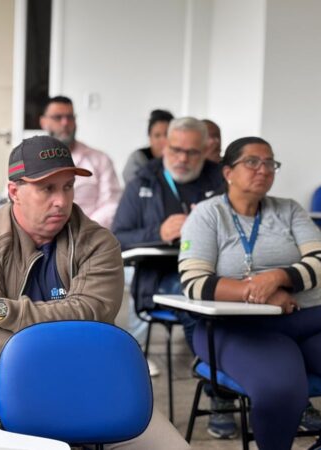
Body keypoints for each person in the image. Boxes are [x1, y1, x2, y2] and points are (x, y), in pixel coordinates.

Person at [0, 135, 189, 449]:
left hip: (95, 386)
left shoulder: (100, 243)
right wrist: (74, 339)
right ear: (14, 192)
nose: (61, 201)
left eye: (67, 187)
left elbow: (92, 315)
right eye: (47, 188)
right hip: (11, 392)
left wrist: (0, 311)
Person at [179, 136, 321, 449]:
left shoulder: (289, 210)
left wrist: (278, 277)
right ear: (228, 172)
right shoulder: (208, 215)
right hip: (239, 329)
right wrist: (256, 292)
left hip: (310, 322)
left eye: (269, 163)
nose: (263, 169)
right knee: (282, 389)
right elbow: (195, 282)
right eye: (252, 162)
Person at [112, 117, 236, 437]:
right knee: (199, 299)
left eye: (192, 152)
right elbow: (118, 237)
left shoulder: (220, 179)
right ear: (165, 145)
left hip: (220, 270)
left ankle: (250, 377)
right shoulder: (144, 179)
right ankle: (220, 393)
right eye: (176, 149)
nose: (183, 159)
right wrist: (159, 232)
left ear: (206, 149)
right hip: (163, 278)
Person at [39, 96, 121, 228]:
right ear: (43, 122)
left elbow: (111, 204)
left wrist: (84, 230)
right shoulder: (30, 161)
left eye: (70, 117)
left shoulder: (100, 160)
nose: (65, 123)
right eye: (58, 117)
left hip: (89, 235)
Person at [123, 109, 174, 184]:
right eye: (157, 136)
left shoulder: (183, 158)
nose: (164, 140)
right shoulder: (138, 158)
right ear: (150, 138)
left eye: (167, 135)